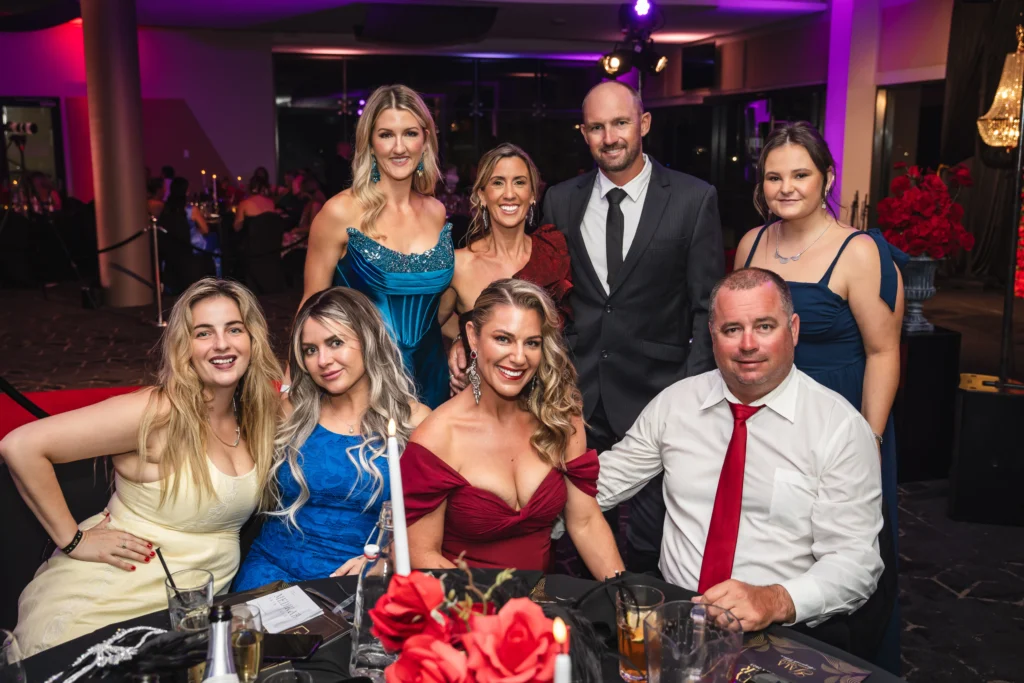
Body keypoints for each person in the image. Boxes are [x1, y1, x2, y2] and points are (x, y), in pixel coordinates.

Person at [596, 268, 885, 656]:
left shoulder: (839, 428)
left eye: (764, 326)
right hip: (677, 621)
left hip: (783, 633)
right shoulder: (676, 404)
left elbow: (855, 562)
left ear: (794, 330)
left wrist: (775, 600)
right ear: (711, 335)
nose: (748, 344)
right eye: (732, 329)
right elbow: (602, 483)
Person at [3, 279, 281, 655]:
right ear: (184, 347)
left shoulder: (252, 415)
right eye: (204, 332)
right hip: (112, 602)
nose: (222, 344)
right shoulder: (158, 410)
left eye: (234, 329)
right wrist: (73, 539)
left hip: (185, 612)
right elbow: (21, 445)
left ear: (252, 339)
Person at [734, 122, 904, 671]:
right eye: (774, 176)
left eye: (800, 174)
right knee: (774, 534)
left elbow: (884, 353)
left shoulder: (859, 252)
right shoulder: (751, 243)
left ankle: (849, 665)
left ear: (826, 178)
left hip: (843, 420)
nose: (786, 187)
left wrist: (870, 437)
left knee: (841, 552)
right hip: (770, 415)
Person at [540, 80, 725, 573]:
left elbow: (707, 305)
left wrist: (689, 393)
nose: (610, 137)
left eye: (620, 123)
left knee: (652, 542)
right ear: (584, 134)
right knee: (570, 535)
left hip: (658, 397)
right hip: (577, 395)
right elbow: (551, 298)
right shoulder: (560, 200)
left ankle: (648, 638)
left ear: (643, 124)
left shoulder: (692, 198)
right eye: (597, 127)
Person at [402, 280, 624, 578]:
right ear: (473, 337)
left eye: (531, 342)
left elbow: (584, 522)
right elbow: (421, 554)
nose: (519, 357)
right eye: (503, 339)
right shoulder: (438, 437)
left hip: (540, 602)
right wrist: (492, 614)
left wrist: (626, 602)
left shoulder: (559, 415)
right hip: (465, 606)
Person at [234, 288, 430, 590]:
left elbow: (438, 521)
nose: (322, 360)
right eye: (310, 350)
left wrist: (387, 555)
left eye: (335, 343)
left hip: (361, 581)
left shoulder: (413, 422)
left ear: (367, 340)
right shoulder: (289, 411)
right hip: (271, 575)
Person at [302, 84, 452, 409]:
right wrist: (295, 386)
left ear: (425, 139)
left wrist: (468, 345)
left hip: (433, 376)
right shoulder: (340, 212)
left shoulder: (437, 213)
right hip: (364, 383)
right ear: (370, 142)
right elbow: (309, 309)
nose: (399, 147)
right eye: (386, 135)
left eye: (410, 133)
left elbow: (436, 307)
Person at [443, 143, 572, 384]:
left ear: (533, 194)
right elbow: (431, 323)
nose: (509, 193)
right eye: (498, 182)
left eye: (520, 182)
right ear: (482, 195)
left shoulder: (553, 254)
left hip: (549, 399)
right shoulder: (459, 264)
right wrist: (463, 337)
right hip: (485, 404)